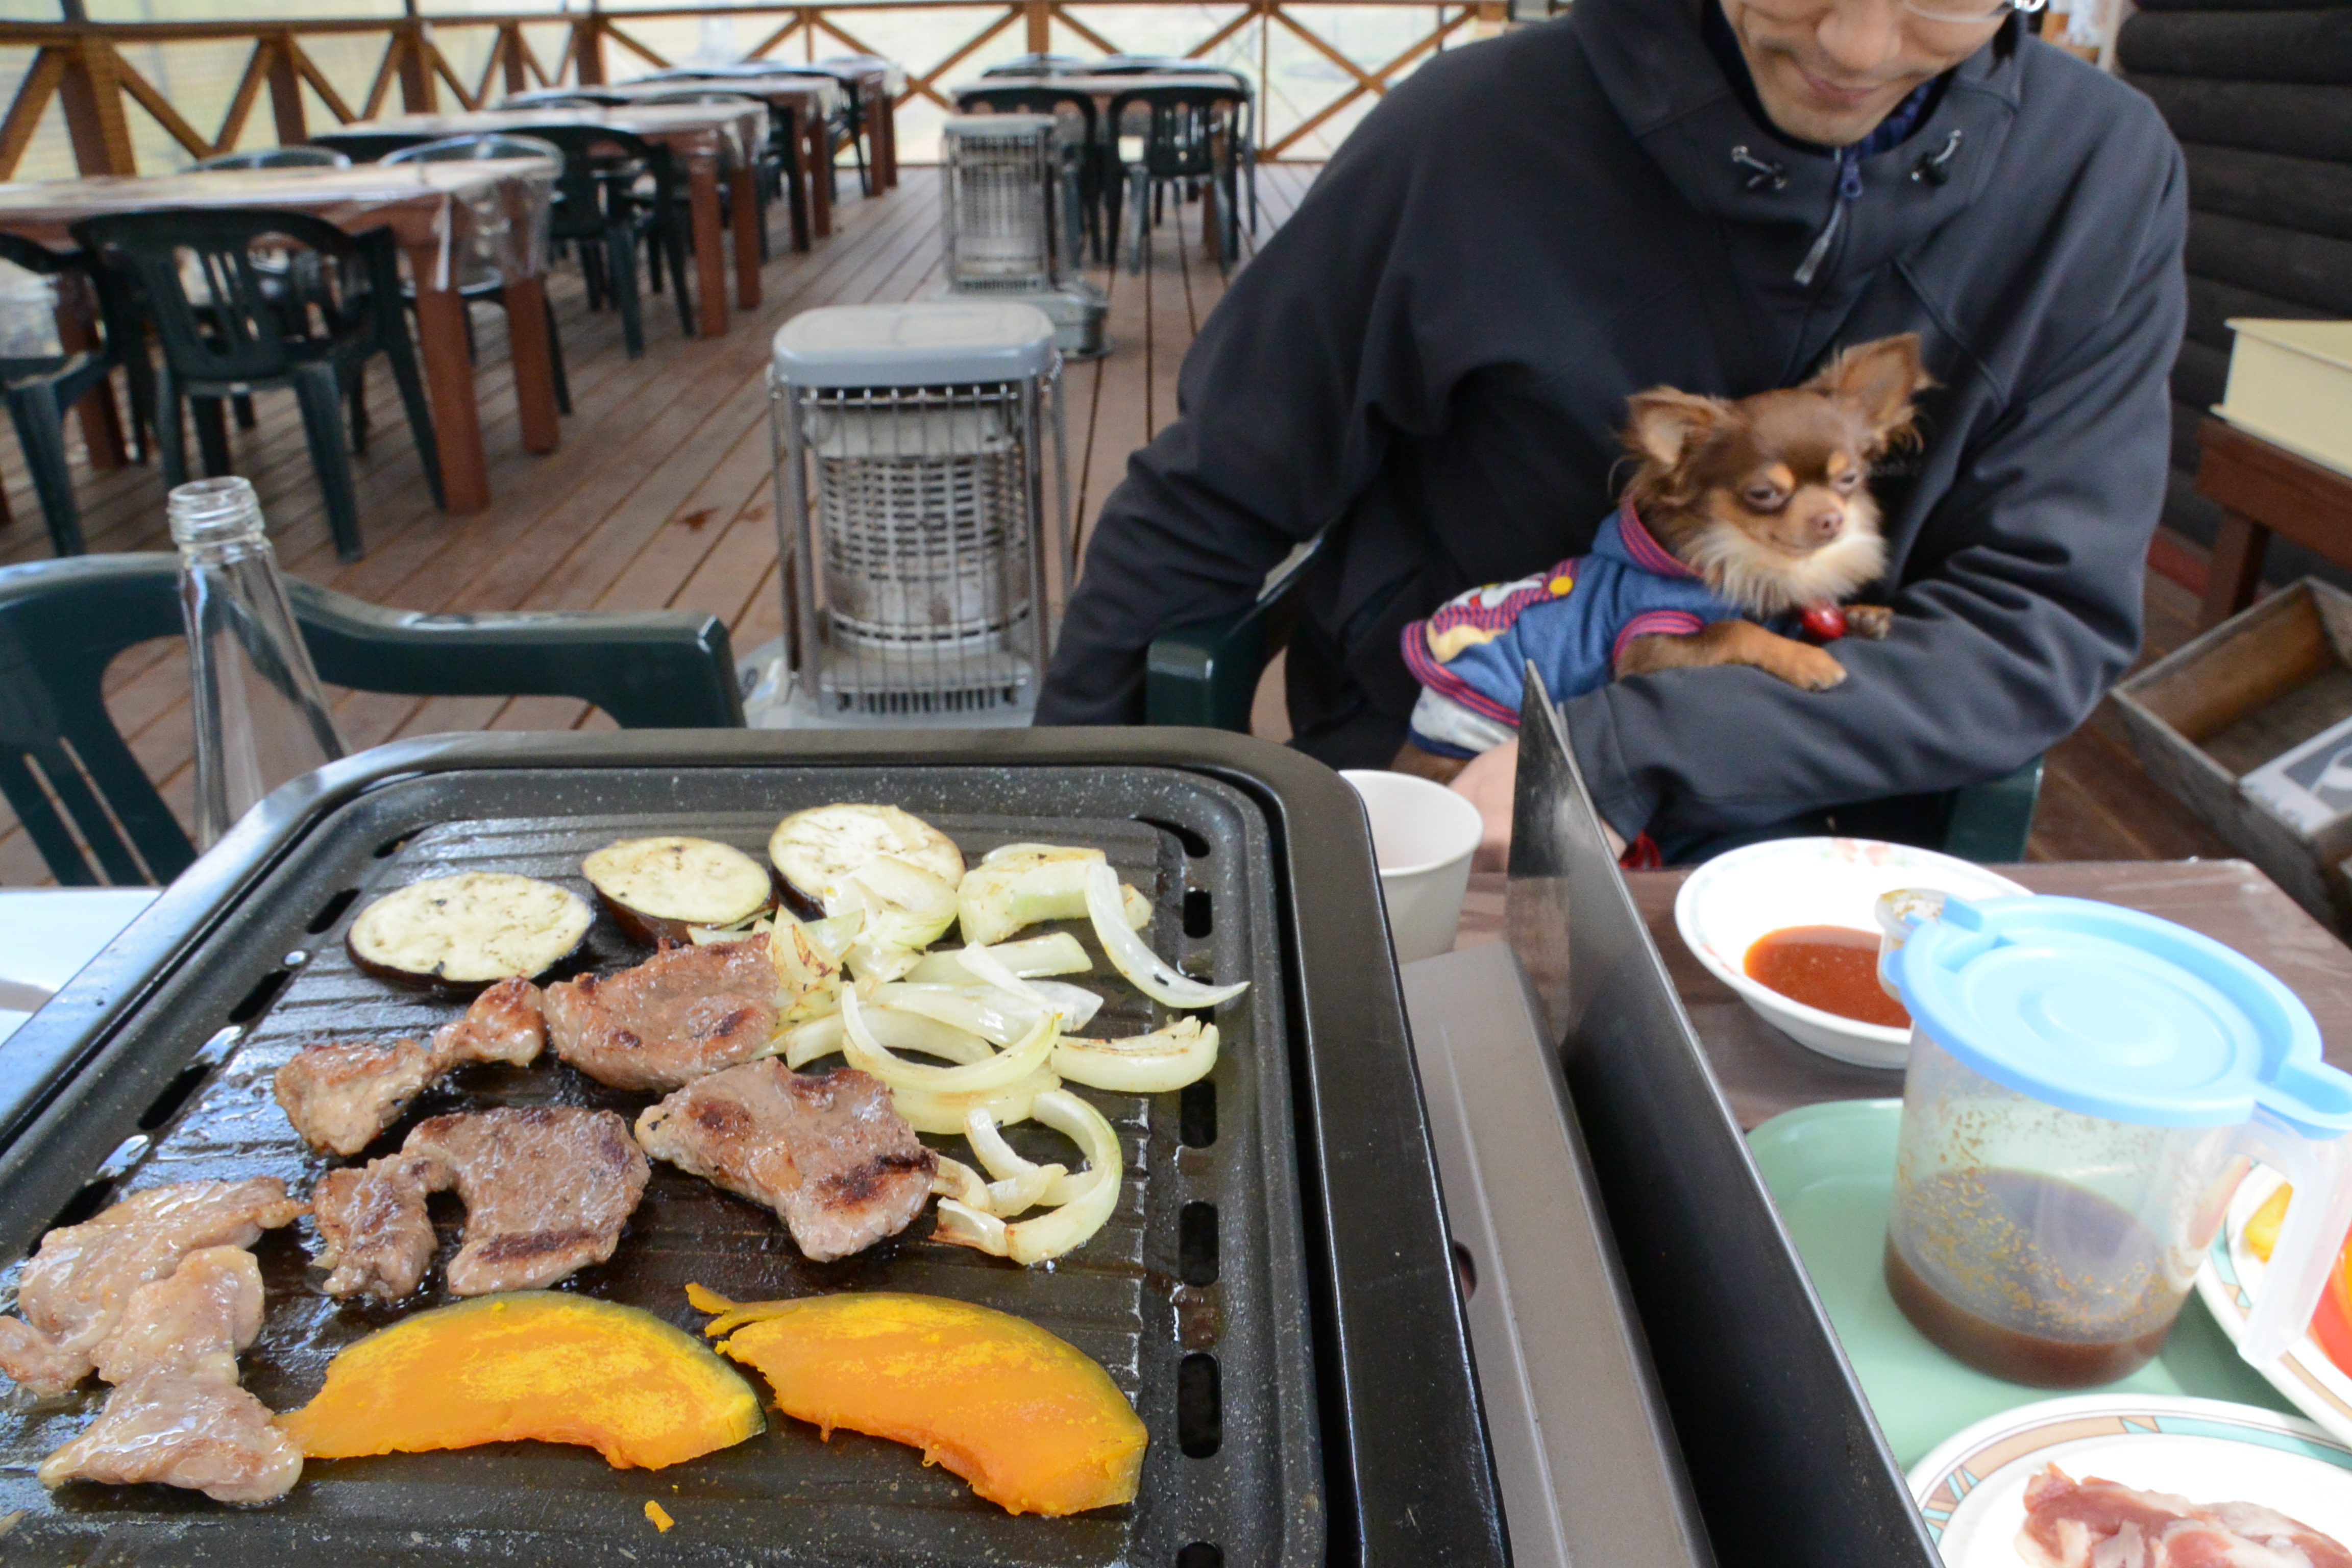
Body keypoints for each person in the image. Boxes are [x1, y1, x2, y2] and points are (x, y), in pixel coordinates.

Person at [1034, 0, 2186, 864]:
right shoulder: (1473, 127)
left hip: (1832, 822)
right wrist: (1053, 827)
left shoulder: (2100, 179)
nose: (1855, 44)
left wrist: (1627, 745)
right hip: (1435, 775)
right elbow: (1216, 492)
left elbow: (2039, 618)